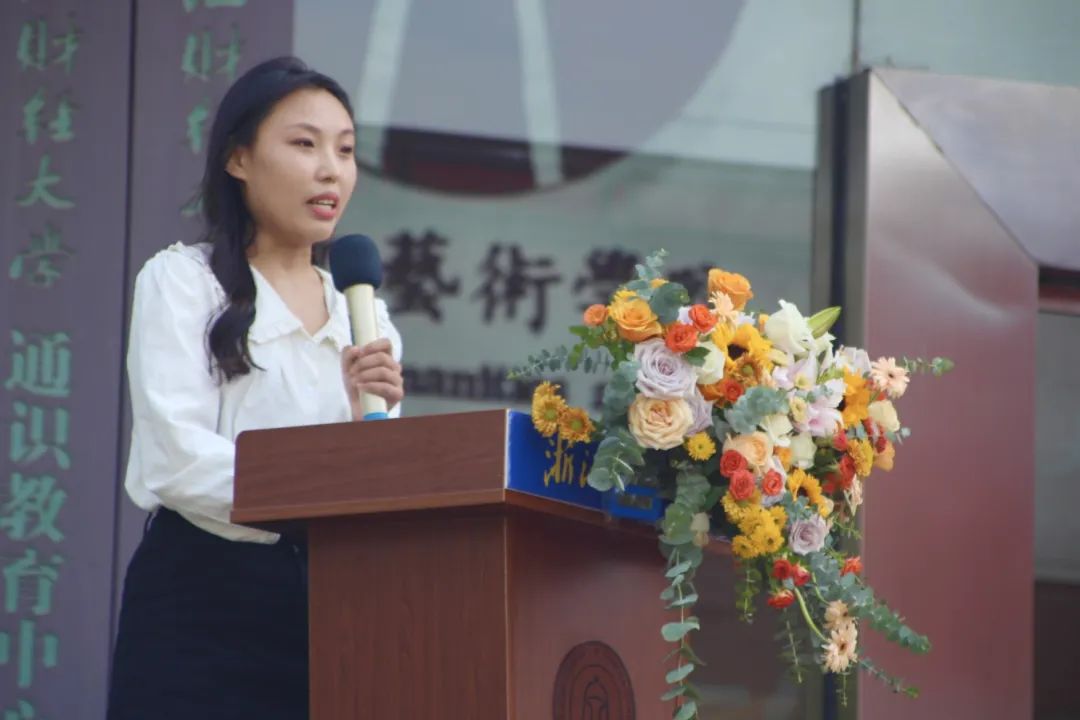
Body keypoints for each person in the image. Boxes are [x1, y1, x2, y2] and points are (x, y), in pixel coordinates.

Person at [106, 56, 404, 719]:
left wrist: (367, 424)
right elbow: (178, 460)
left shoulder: (365, 315)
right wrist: (322, 483)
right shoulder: (184, 282)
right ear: (238, 158)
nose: (331, 170)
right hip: (200, 599)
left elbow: (376, 491)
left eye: (345, 150)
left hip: (331, 603)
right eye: (304, 144)